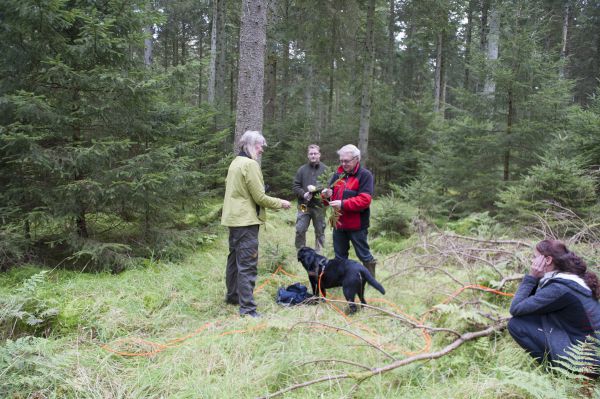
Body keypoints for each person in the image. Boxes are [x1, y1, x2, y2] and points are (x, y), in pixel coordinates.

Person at [221, 130, 291, 318]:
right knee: (247, 264)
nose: (262, 150)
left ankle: (233, 296)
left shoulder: (235, 162)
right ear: (250, 145)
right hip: (246, 221)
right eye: (260, 145)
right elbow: (259, 197)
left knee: (234, 260)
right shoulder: (250, 164)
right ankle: (248, 309)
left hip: (234, 219)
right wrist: (281, 203)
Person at [508, 239, 600, 368]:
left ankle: (557, 370)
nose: (532, 261)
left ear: (548, 260)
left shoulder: (559, 288)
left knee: (516, 324)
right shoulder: (571, 279)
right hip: (593, 350)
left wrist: (532, 277)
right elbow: (531, 305)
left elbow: (516, 308)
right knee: (530, 317)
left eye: (535, 257)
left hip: (588, 359)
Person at [321, 144, 377, 276]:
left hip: (357, 225)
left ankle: (370, 280)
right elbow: (327, 201)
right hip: (339, 224)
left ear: (356, 159)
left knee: (364, 255)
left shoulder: (365, 175)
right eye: (341, 161)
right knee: (340, 256)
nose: (343, 164)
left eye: (346, 161)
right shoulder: (338, 175)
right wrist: (325, 196)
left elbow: (365, 200)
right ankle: (342, 280)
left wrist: (343, 204)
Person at [292, 144, 328, 253]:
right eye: (311, 154)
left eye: (315, 153)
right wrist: (304, 194)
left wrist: (323, 192)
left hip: (319, 207)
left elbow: (331, 187)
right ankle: (301, 251)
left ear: (319, 155)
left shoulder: (325, 169)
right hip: (304, 206)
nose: (313, 156)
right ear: (308, 156)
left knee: (320, 230)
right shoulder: (302, 170)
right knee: (300, 229)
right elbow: (295, 186)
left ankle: (319, 252)